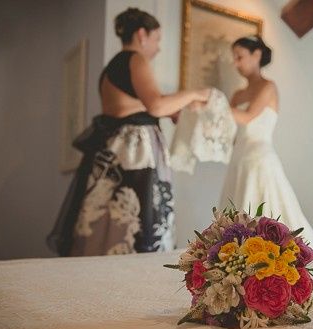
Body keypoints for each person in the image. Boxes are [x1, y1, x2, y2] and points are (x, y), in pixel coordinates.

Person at [48, 7, 210, 256]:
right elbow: (155, 104)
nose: (158, 48)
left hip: (116, 153)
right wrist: (196, 93)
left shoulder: (113, 66)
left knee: (110, 228)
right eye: (156, 39)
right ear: (142, 35)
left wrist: (173, 109)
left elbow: (135, 106)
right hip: (133, 157)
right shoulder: (135, 59)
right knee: (137, 225)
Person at [219, 35, 313, 255]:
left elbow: (249, 115)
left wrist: (214, 104)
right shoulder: (237, 94)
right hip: (238, 160)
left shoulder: (268, 87)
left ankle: (273, 257)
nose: (236, 63)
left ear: (256, 55)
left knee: (266, 209)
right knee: (237, 211)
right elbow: (229, 129)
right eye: (234, 58)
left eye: (240, 56)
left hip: (259, 159)